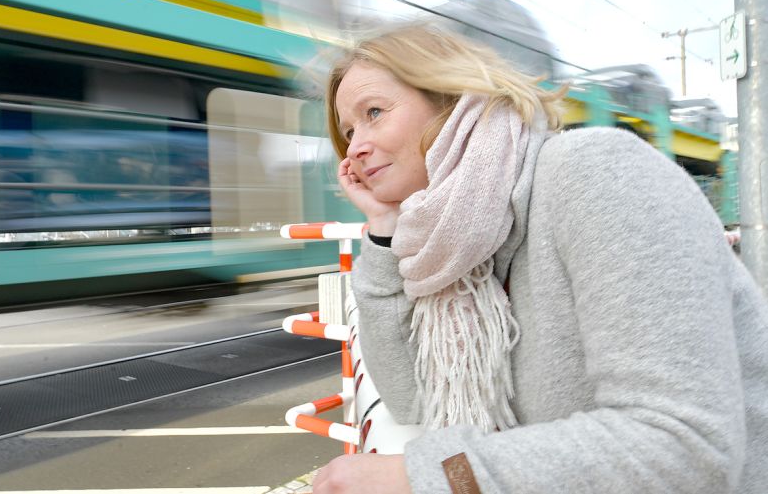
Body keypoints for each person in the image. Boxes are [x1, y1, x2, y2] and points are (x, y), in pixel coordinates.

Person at [311, 24, 768, 493]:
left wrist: (424, 478)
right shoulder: (451, 245)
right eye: (348, 132)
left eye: (374, 113)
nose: (356, 148)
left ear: (450, 96)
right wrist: (385, 233)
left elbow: (686, 447)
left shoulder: (596, 173)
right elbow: (411, 400)